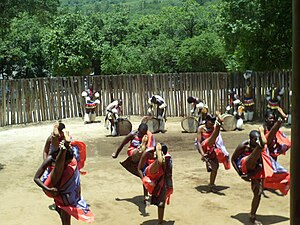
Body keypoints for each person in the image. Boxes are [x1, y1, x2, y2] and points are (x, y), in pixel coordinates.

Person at [34, 126, 94, 225]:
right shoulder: (54, 158)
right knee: (65, 211)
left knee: (64, 209)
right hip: (51, 184)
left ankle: (60, 209)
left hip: (59, 185)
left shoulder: (70, 162)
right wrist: (47, 187)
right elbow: (36, 178)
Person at [231, 127, 290, 224]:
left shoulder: (262, 146)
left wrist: (251, 175)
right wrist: (240, 174)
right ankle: (252, 216)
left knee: (258, 193)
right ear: (250, 140)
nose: (258, 141)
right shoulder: (244, 146)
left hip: (257, 169)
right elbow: (233, 159)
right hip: (245, 164)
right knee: (257, 151)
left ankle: (252, 215)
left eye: (259, 138)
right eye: (255, 139)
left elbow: (262, 161)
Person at [112, 123, 155, 202]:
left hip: (144, 157)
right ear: (138, 131)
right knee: (139, 151)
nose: (142, 135)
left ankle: (146, 195)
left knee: (144, 174)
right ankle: (140, 149)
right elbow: (122, 144)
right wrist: (116, 154)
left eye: (144, 133)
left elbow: (152, 148)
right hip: (133, 152)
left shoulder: (149, 136)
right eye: (141, 133)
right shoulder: (132, 135)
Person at [137, 143, 173, 225]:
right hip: (149, 172)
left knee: (161, 203)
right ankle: (158, 162)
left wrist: (168, 186)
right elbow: (139, 169)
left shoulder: (168, 158)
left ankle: (160, 222)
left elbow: (168, 174)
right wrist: (145, 180)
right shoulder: (147, 152)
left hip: (161, 175)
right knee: (152, 169)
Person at [195, 113, 230, 192]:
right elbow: (199, 142)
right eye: (211, 123)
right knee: (211, 140)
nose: (211, 125)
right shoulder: (201, 128)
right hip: (204, 146)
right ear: (206, 121)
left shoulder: (213, 128)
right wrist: (202, 154)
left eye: (213, 123)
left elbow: (217, 141)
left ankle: (211, 184)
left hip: (212, 147)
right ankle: (219, 126)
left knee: (215, 167)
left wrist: (218, 115)